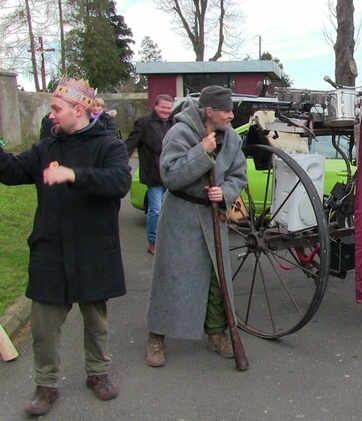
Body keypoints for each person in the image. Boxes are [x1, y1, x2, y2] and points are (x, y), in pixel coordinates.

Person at [0, 77, 131, 416]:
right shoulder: (46, 148)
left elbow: (119, 182)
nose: (51, 115)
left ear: (78, 109)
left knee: (96, 322)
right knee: (43, 327)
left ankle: (97, 374)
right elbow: (12, 172)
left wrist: (74, 175)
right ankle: (45, 385)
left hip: (92, 249)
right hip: (50, 250)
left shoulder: (108, 147)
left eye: (56, 109)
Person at [145, 85, 248, 367]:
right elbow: (170, 176)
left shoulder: (232, 139)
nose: (231, 115)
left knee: (217, 278)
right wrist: (201, 152)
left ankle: (216, 333)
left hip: (213, 216)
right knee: (171, 277)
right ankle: (156, 337)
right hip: (181, 215)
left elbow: (239, 175)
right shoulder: (180, 133)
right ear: (209, 112)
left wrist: (225, 192)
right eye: (226, 110)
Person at [124, 94, 175, 255]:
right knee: (156, 210)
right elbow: (130, 144)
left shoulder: (174, 124)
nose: (166, 111)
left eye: (169, 107)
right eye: (163, 107)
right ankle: (153, 242)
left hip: (172, 176)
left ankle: (168, 241)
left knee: (171, 211)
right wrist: (121, 163)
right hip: (153, 175)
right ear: (155, 106)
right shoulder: (144, 123)